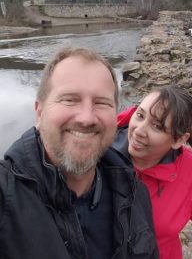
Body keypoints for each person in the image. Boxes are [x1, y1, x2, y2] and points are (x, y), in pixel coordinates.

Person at [0, 47, 158, 259]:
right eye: (69, 99)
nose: (86, 118)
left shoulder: (135, 194)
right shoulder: (5, 197)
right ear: (39, 112)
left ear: (116, 116)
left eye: (101, 102)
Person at [113, 85, 192, 259]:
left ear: (179, 140)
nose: (139, 131)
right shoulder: (102, 149)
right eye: (140, 115)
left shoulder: (188, 170)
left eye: (157, 126)